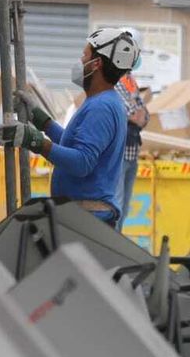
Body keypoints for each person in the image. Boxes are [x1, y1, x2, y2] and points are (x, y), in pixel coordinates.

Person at [8, 27, 137, 228]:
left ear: (97, 63)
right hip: (84, 215)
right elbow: (73, 144)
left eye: (84, 55)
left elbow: (82, 163)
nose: (80, 61)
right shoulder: (102, 101)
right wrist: (42, 120)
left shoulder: (101, 107)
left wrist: (36, 142)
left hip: (87, 220)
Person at [115, 53, 149, 231]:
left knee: (124, 208)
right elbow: (127, 112)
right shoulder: (115, 79)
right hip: (119, 154)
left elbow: (144, 114)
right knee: (117, 206)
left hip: (132, 152)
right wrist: (136, 114)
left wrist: (137, 114)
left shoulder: (130, 80)